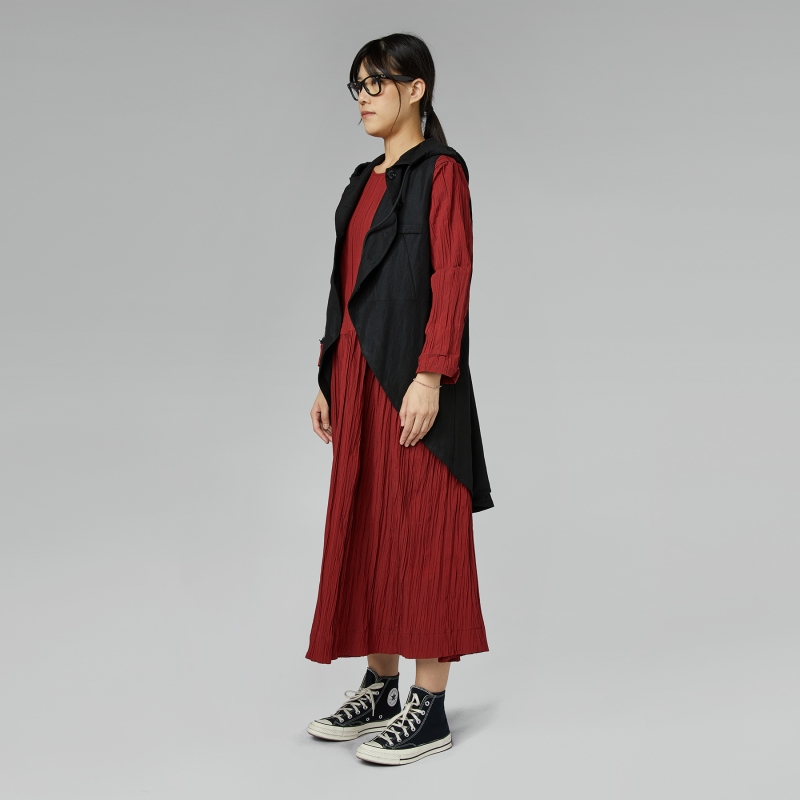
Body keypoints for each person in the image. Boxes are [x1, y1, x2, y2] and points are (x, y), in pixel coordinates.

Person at [305, 33, 494, 766]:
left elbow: (453, 275)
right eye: (357, 86)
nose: (364, 97)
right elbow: (343, 287)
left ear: (416, 89)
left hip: (413, 377)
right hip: (356, 374)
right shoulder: (361, 181)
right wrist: (326, 375)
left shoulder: (440, 172)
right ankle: (380, 688)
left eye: (377, 83)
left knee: (424, 527)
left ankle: (430, 705)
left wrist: (432, 375)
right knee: (367, 522)